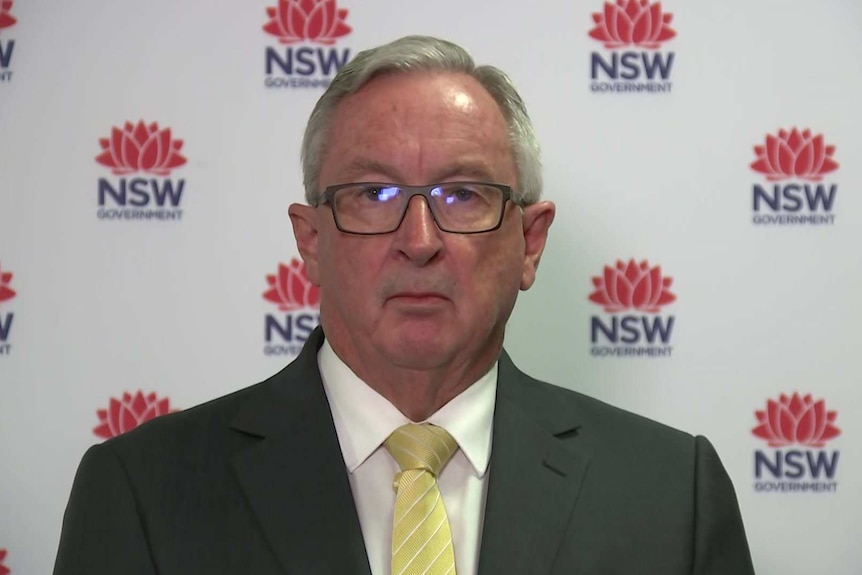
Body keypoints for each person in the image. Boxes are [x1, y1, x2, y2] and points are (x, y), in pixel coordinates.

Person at [54, 35, 755, 575]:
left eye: (464, 195)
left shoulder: (672, 494)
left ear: (529, 242)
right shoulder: (142, 493)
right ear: (310, 242)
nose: (418, 241)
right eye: (372, 195)